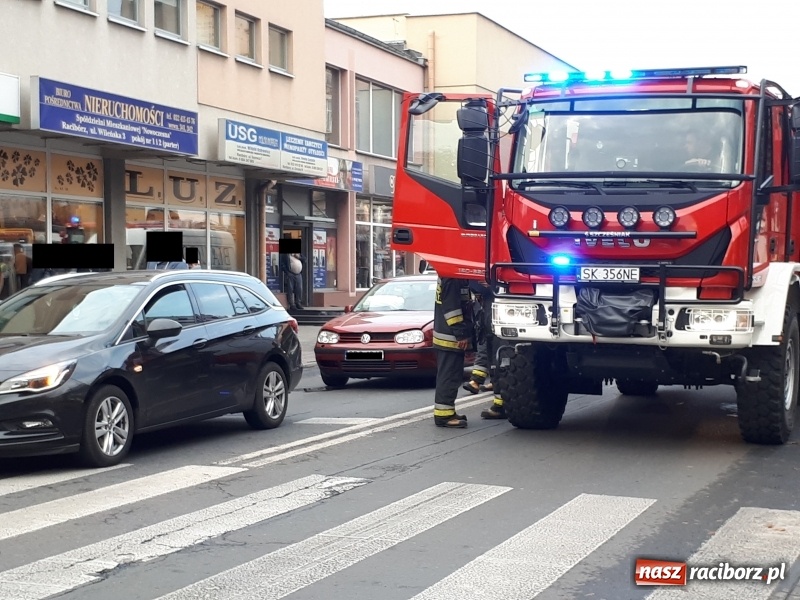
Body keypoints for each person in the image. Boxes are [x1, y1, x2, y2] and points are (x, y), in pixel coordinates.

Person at [432, 276, 474, 428]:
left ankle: (448, 411)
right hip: (450, 337)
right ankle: (443, 416)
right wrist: (461, 334)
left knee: (452, 375)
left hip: (449, 336)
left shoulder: (450, 276)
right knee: (449, 376)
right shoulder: (451, 279)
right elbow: (452, 310)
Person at [280, 242, 306, 310]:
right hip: (291, 273)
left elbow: (305, 260)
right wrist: (287, 272)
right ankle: (292, 304)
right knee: (290, 289)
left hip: (298, 274)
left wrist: (299, 257)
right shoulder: (286, 255)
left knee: (299, 289)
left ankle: (298, 303)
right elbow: (282, 264)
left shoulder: (298, 254)